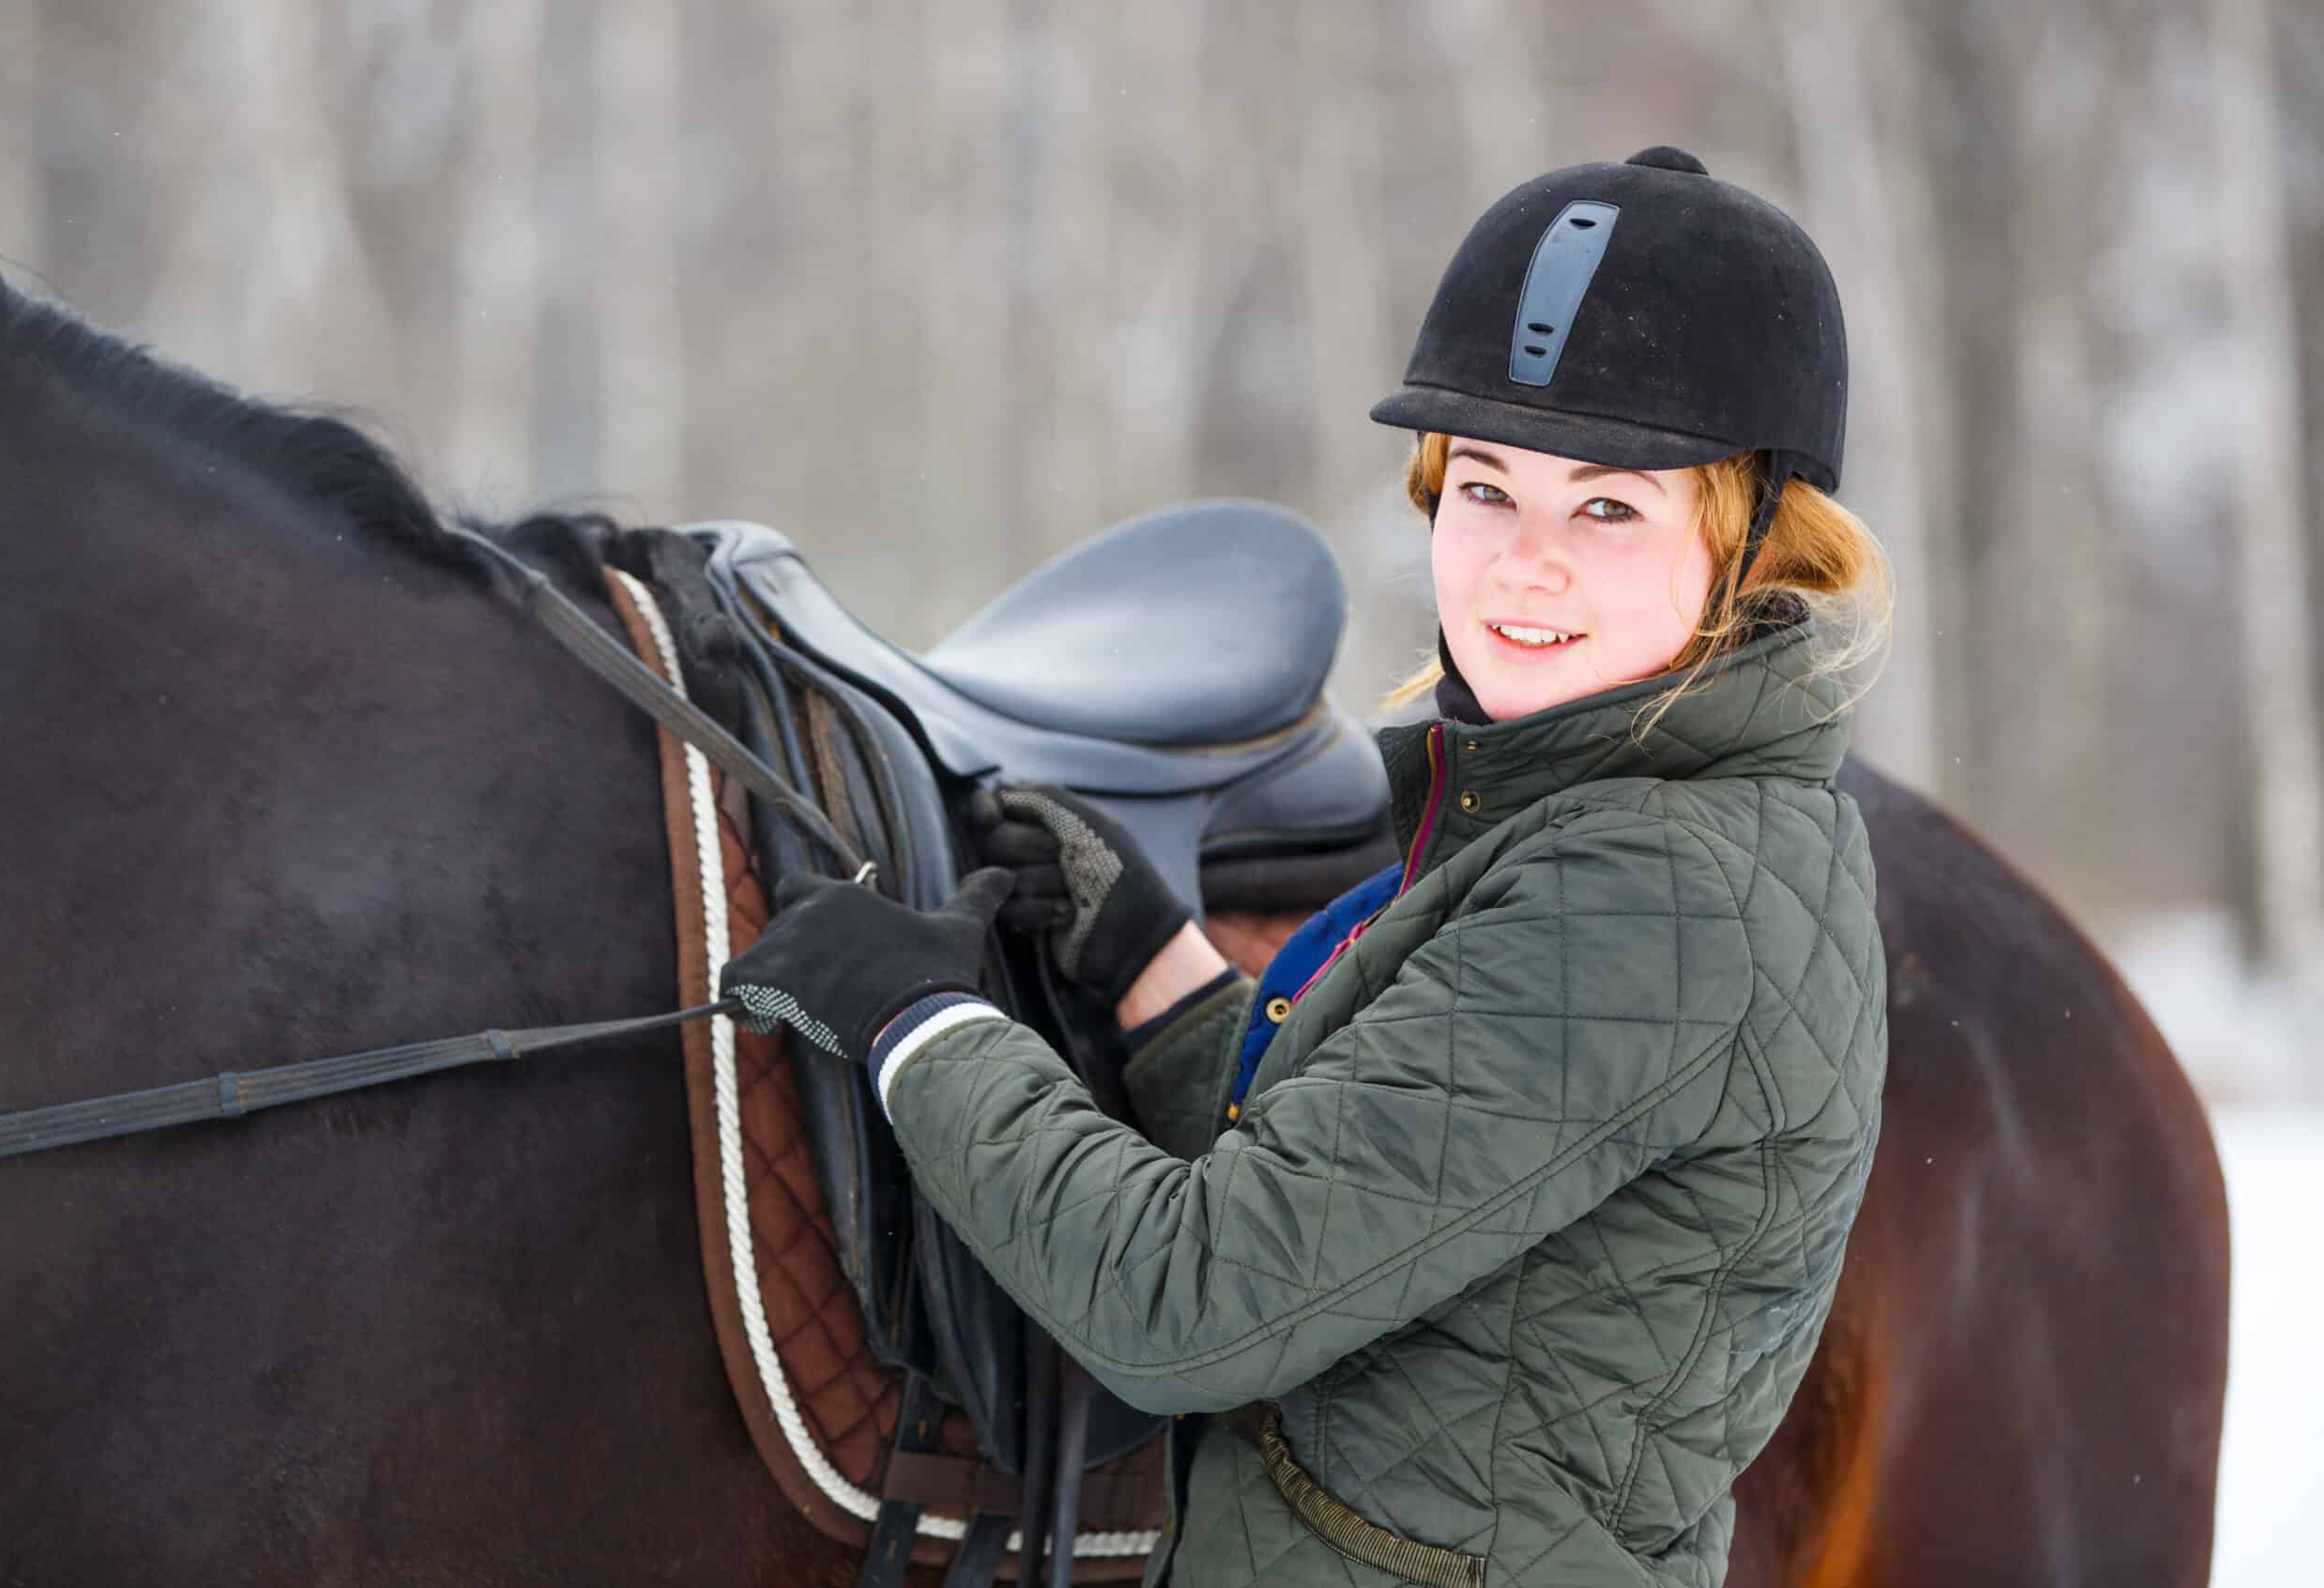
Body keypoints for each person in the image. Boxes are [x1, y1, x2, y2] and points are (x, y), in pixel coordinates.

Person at [719, 145, 1894, 1587]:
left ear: (1755, 547)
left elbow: (1193, 1303)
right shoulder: (1574, 816)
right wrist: (1155, 975)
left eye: (1608, 507)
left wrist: (920, 1028)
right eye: (1484, 489)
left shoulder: (1655, 898)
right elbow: (1386, 1197)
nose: (1523, 565)